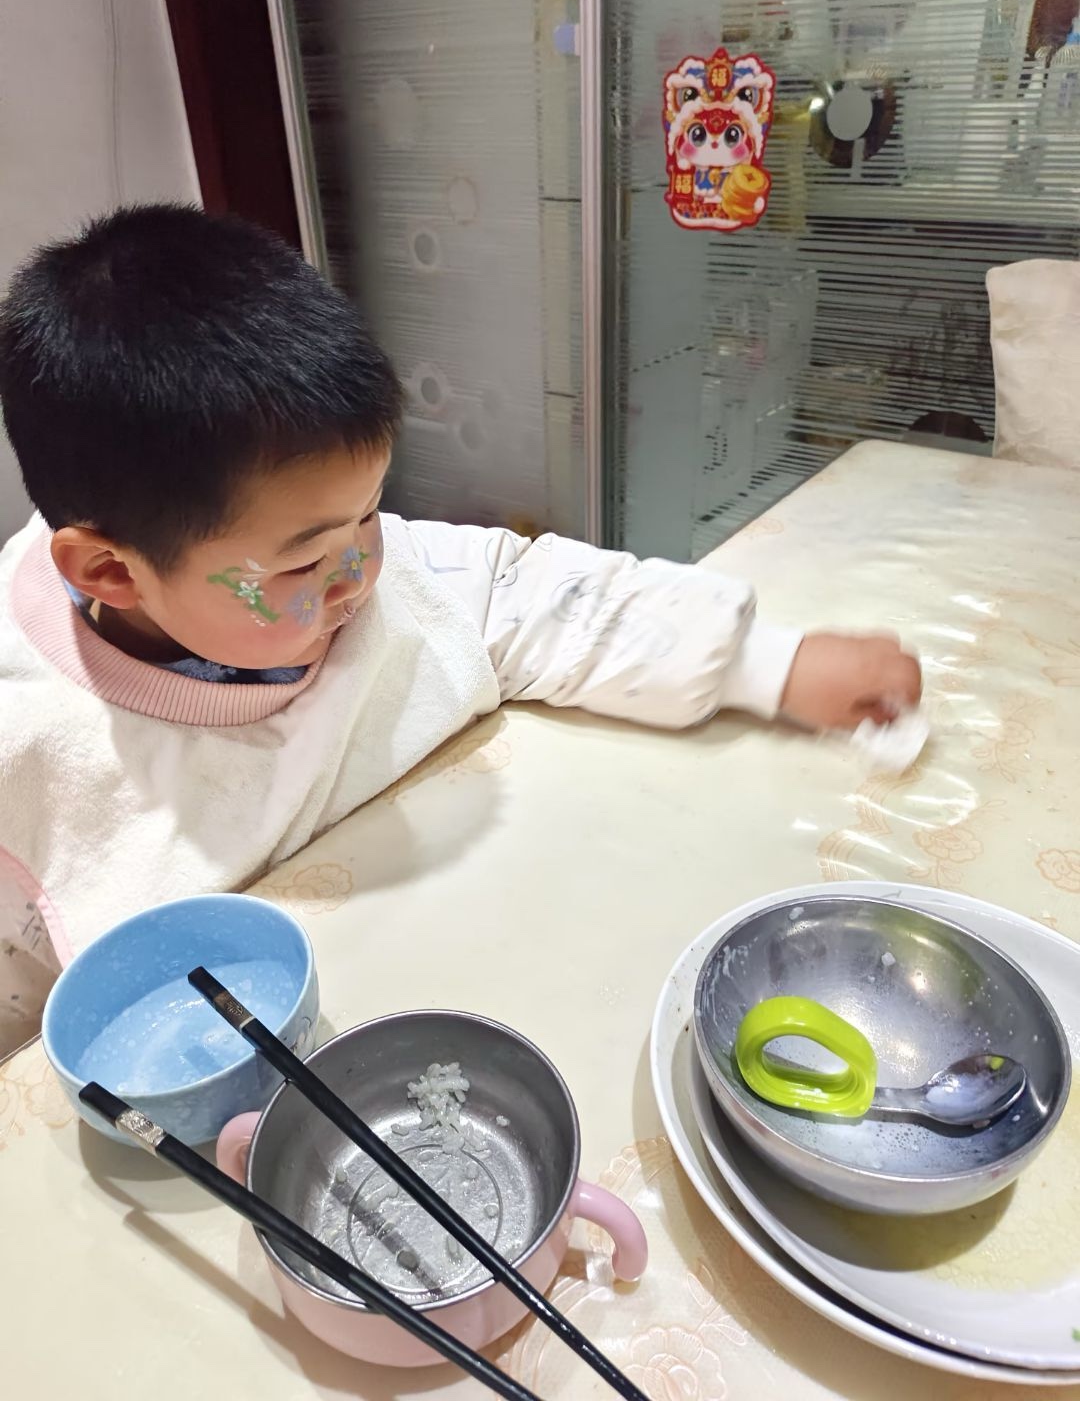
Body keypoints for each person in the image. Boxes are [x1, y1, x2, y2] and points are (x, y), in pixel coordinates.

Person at [0, 205, 920, 1049]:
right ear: (111, 573)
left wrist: (769, 665)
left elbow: (545, 596)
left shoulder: (376, 571)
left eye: (369, 513)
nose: (360, 571)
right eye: (304, 563)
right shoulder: (32, 744)